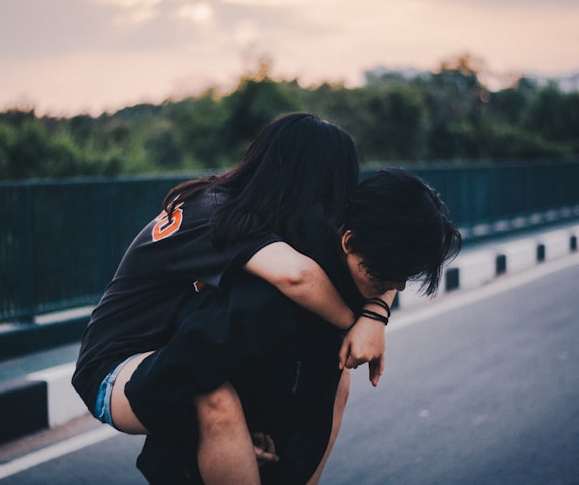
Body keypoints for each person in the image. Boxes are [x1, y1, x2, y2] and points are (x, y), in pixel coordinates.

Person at [72, 113, 390, 484]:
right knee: (215, 396)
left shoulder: (274, 214)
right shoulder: (217, 211)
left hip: (186, 353)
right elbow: (297, 277)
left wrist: (377, 313)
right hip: (117, 368)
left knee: (338, 376)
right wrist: (360, 325)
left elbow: (382, 255)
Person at [133, 168, 462, 484]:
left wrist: (375, 314)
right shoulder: (270, 298)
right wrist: (226, 433)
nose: (399, 287)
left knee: (340, 382)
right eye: (388, 276)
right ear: (348, 242)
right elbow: (172, 374)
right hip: (199, 461)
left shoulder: (355, 255)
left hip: (280, 439)